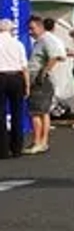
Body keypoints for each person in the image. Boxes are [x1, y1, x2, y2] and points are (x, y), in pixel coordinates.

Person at [25, 16, 64, 154]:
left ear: (41, 27)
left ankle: (38, 142)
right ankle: (42, 142)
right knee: (43, 112)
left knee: (36, 113)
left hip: (39, 79)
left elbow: (55, 56)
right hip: (39, 77)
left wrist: (43, 72)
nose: (30, 31)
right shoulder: (41, 40)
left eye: (32, 28)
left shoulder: (45, 39)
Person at [0, 19, 30, 159]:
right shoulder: (18, 44)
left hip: (1, 76)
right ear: (11, 30)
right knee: (17, 113)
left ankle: (3, 150)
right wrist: (27, 85)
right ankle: (17, 148)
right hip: (16, 77)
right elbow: (24, 67)